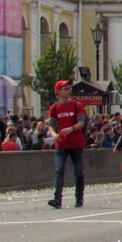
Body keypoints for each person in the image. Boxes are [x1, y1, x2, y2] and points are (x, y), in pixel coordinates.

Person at [46, 80, 88, 209]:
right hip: (61, 144)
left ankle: (79, 197)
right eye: (65, 88)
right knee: (59, 170)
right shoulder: (55, 108)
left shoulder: (77, 105)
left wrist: (71, 129)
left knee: (78, 171)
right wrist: (54, 135)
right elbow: (51, 125)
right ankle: (57, 198)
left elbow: (82, 122)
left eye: (69, 88)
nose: (68, 90)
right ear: (58, 91)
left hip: (76, 143)